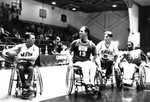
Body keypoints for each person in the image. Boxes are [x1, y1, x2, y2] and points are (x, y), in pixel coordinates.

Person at [67, 26, 100, 91]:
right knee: (85, 65)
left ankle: (92, 84)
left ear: (86, 33)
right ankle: (87, 84)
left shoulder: (91, 44)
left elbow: (95, 55)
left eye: (81, 31)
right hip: (77, 62)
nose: (79, 32)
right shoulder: (75, 42)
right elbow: (68, 52)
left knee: (93, 66)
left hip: (87, 61)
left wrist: (93, 61)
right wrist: (70, 62)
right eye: (79, 31)